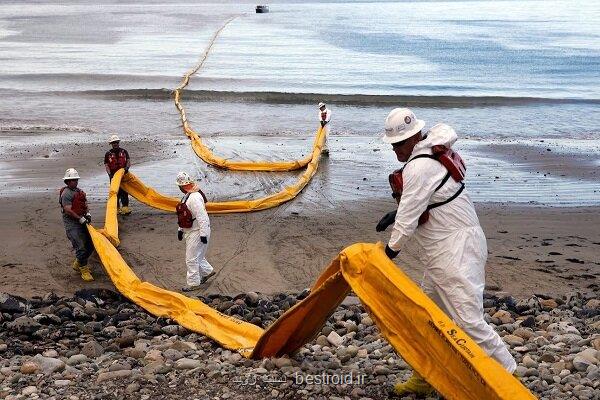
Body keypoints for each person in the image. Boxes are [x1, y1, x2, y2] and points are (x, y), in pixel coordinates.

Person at [376, 108, 517, 396]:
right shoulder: (429, 155)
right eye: (393, 146)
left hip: (456, 251)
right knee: (429, 316)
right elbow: (430, 200)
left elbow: (410, 216)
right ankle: (426, 375)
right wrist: (398, 212)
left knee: (469, 322)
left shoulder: (419, 166)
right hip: (449, 248)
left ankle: (509, 381)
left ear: (415, 137)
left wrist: (390, 252)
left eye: (399, 144)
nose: (396, 151)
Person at [175, 171, 215, 292]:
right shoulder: (188, 196)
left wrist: (203, 234)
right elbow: (184, 215)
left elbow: (202, 216)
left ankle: (193, 283)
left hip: (197, 231)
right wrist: (180, 229)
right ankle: (208, 271)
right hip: (193, 230)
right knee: (198, 255)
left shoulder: (194, 197)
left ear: (182, 185)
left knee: (191, 258)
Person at [60, 168, 94, 282]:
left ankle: (78, 262)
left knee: (90, 244)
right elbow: (68, 210)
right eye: (73, 180)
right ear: (68, 182)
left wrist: (87, 214)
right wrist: (80, 219)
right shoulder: (66, 194)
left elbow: (85, 203)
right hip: (72, 223)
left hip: (82, 220)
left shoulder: (79, 191)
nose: (76, 182)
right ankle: (83, 270)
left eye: (76, 180)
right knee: (81, 246)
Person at [104, 134, 131, 215]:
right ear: (111, 144)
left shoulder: (124, 151)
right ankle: (117, 208)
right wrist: (110, 175)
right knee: (115, 192)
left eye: (116, 142)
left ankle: (125, 208)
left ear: (118, 142)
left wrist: (126, 168)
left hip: (123, 175)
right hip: (113, 176)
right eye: (113, 143)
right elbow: (106, 165)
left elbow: (128, 161)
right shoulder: (108, 154)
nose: (115, 144)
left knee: (124, 191)